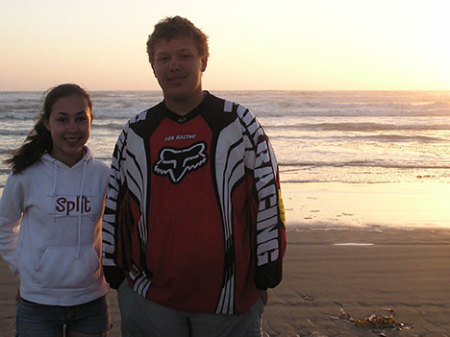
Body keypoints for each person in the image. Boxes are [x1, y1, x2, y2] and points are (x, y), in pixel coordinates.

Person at [102, 16, 286, 337]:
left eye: (185, 56)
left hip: (228, 299)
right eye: (164, 58)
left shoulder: (237, 122)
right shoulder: (136, 131)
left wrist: (267, 268)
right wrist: (112, 265)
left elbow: (268, 193)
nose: (174, 65)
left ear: (203, 61)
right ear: (153, 66)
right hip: (149, 297)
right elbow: (116, 203)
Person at [0, 83, 111, 336]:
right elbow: (4, 224)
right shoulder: (26, 175)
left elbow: (118, 228)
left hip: (91, 300)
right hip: (38, 303)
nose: (72, 129)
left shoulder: (103, 175)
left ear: (91, 121)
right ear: (47, 123)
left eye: (81, 119)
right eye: (62, 119)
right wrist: (24, 268)